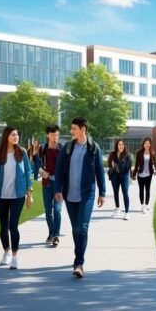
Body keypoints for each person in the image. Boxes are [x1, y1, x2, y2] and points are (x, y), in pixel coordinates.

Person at [54, 117, 106, 279]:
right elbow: (59, 169)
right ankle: (79, 255)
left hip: (87, 194)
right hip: (70, 195)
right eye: (72, 128)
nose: (71, 131)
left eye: (74, 128)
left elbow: (100, 171)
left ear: (83, 129)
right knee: (76, 229)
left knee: (82, 227)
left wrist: (102, 192)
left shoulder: (93, 148)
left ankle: (79, 263)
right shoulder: (68, 148)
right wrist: (58, 189)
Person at [0, 126, 34, 270]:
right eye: (13, 135)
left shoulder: (22, 152)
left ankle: (15, 257)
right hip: (1, 195)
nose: (16, 137)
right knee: (3, 226)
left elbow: (28, 172)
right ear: (6, 137)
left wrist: (29, 194)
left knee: (13, 225)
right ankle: (6, 252)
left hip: (18, 195)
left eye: (17, 135)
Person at [40, 125, 63, 246]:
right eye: (53, 135)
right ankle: (51, 233)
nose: (55, 137)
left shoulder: (62, 149)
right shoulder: (43, 149)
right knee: (48, 211)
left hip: (59, 185)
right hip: (47, 183)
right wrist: (41, 172)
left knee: (57, 210)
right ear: (48, 135)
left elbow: (66, 166)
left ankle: (56, 235)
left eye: (57, 135)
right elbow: (37, 165)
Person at [108, 139, 133, 220]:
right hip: (115, 175)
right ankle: (117, 209)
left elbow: (129, 166)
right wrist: (113, 168)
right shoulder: (112, 154)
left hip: (124, 175)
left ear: (124, 146)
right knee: (115, 192)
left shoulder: (128, 155)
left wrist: (121, 169)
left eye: (122, 144)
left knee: (125, 192)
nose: (121, 146)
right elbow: (109, 163)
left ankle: (127, 213)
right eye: (119, 144)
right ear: (117, 146)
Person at [134, 138, 156, 214]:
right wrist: (134, 174)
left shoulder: (152, 153)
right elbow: (136, 164)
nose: (147, 144)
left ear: (150, 144)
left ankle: (146, 205)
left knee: (147, 190)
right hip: (140, 175)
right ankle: (142, 205)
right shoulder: (139, 152)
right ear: (143, 144)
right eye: (146, 143)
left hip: (149, 175)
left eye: (148, 143)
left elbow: (155, 163)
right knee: (141, 190)